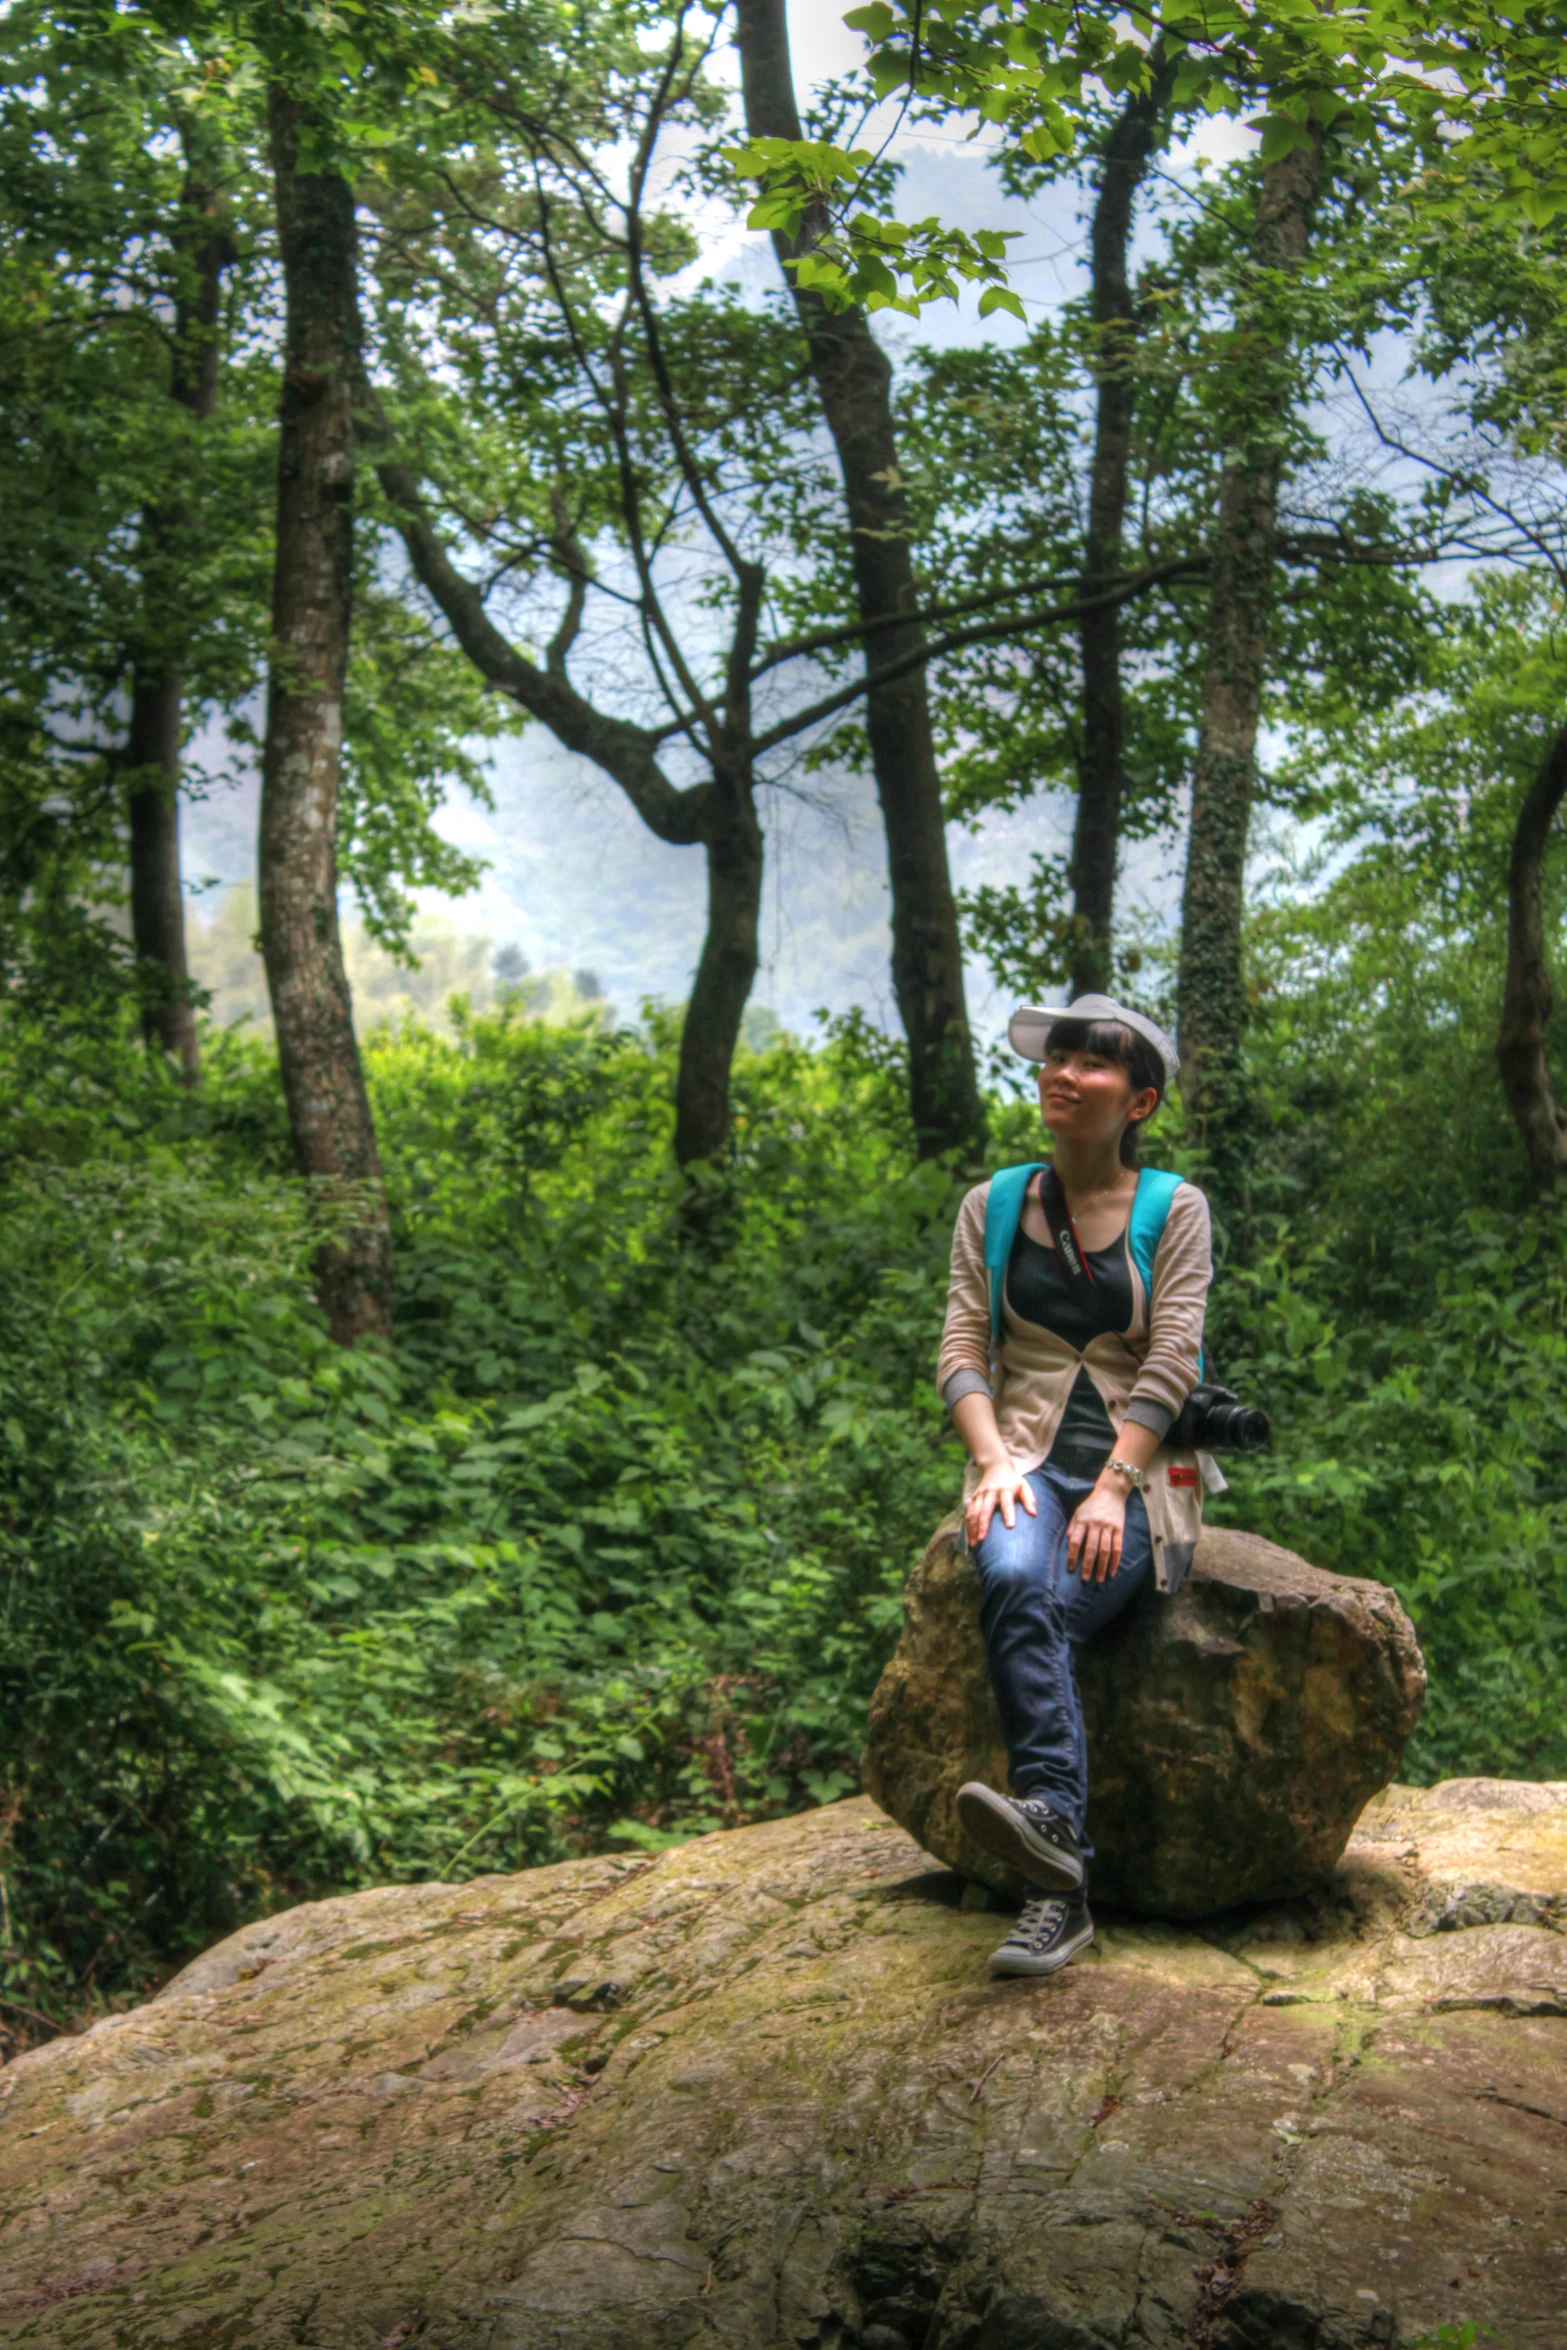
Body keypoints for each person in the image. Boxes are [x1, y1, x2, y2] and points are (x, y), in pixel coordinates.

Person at [936, 992, 1214, 1979]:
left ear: (1138, 1100)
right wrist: (991, 1459)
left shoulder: (1172, 1208)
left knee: (1052, 1598)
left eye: (1089, 1062)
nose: (1061, 1073)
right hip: (1018, 1457)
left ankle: (1053, 1871)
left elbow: (1173, 1355)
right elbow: (964, 1344)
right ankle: (1057, 1860)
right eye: (1054, 1058)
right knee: (1012, 1573)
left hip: (1138, 1476)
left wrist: (1112, 1486)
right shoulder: (995, 1202)